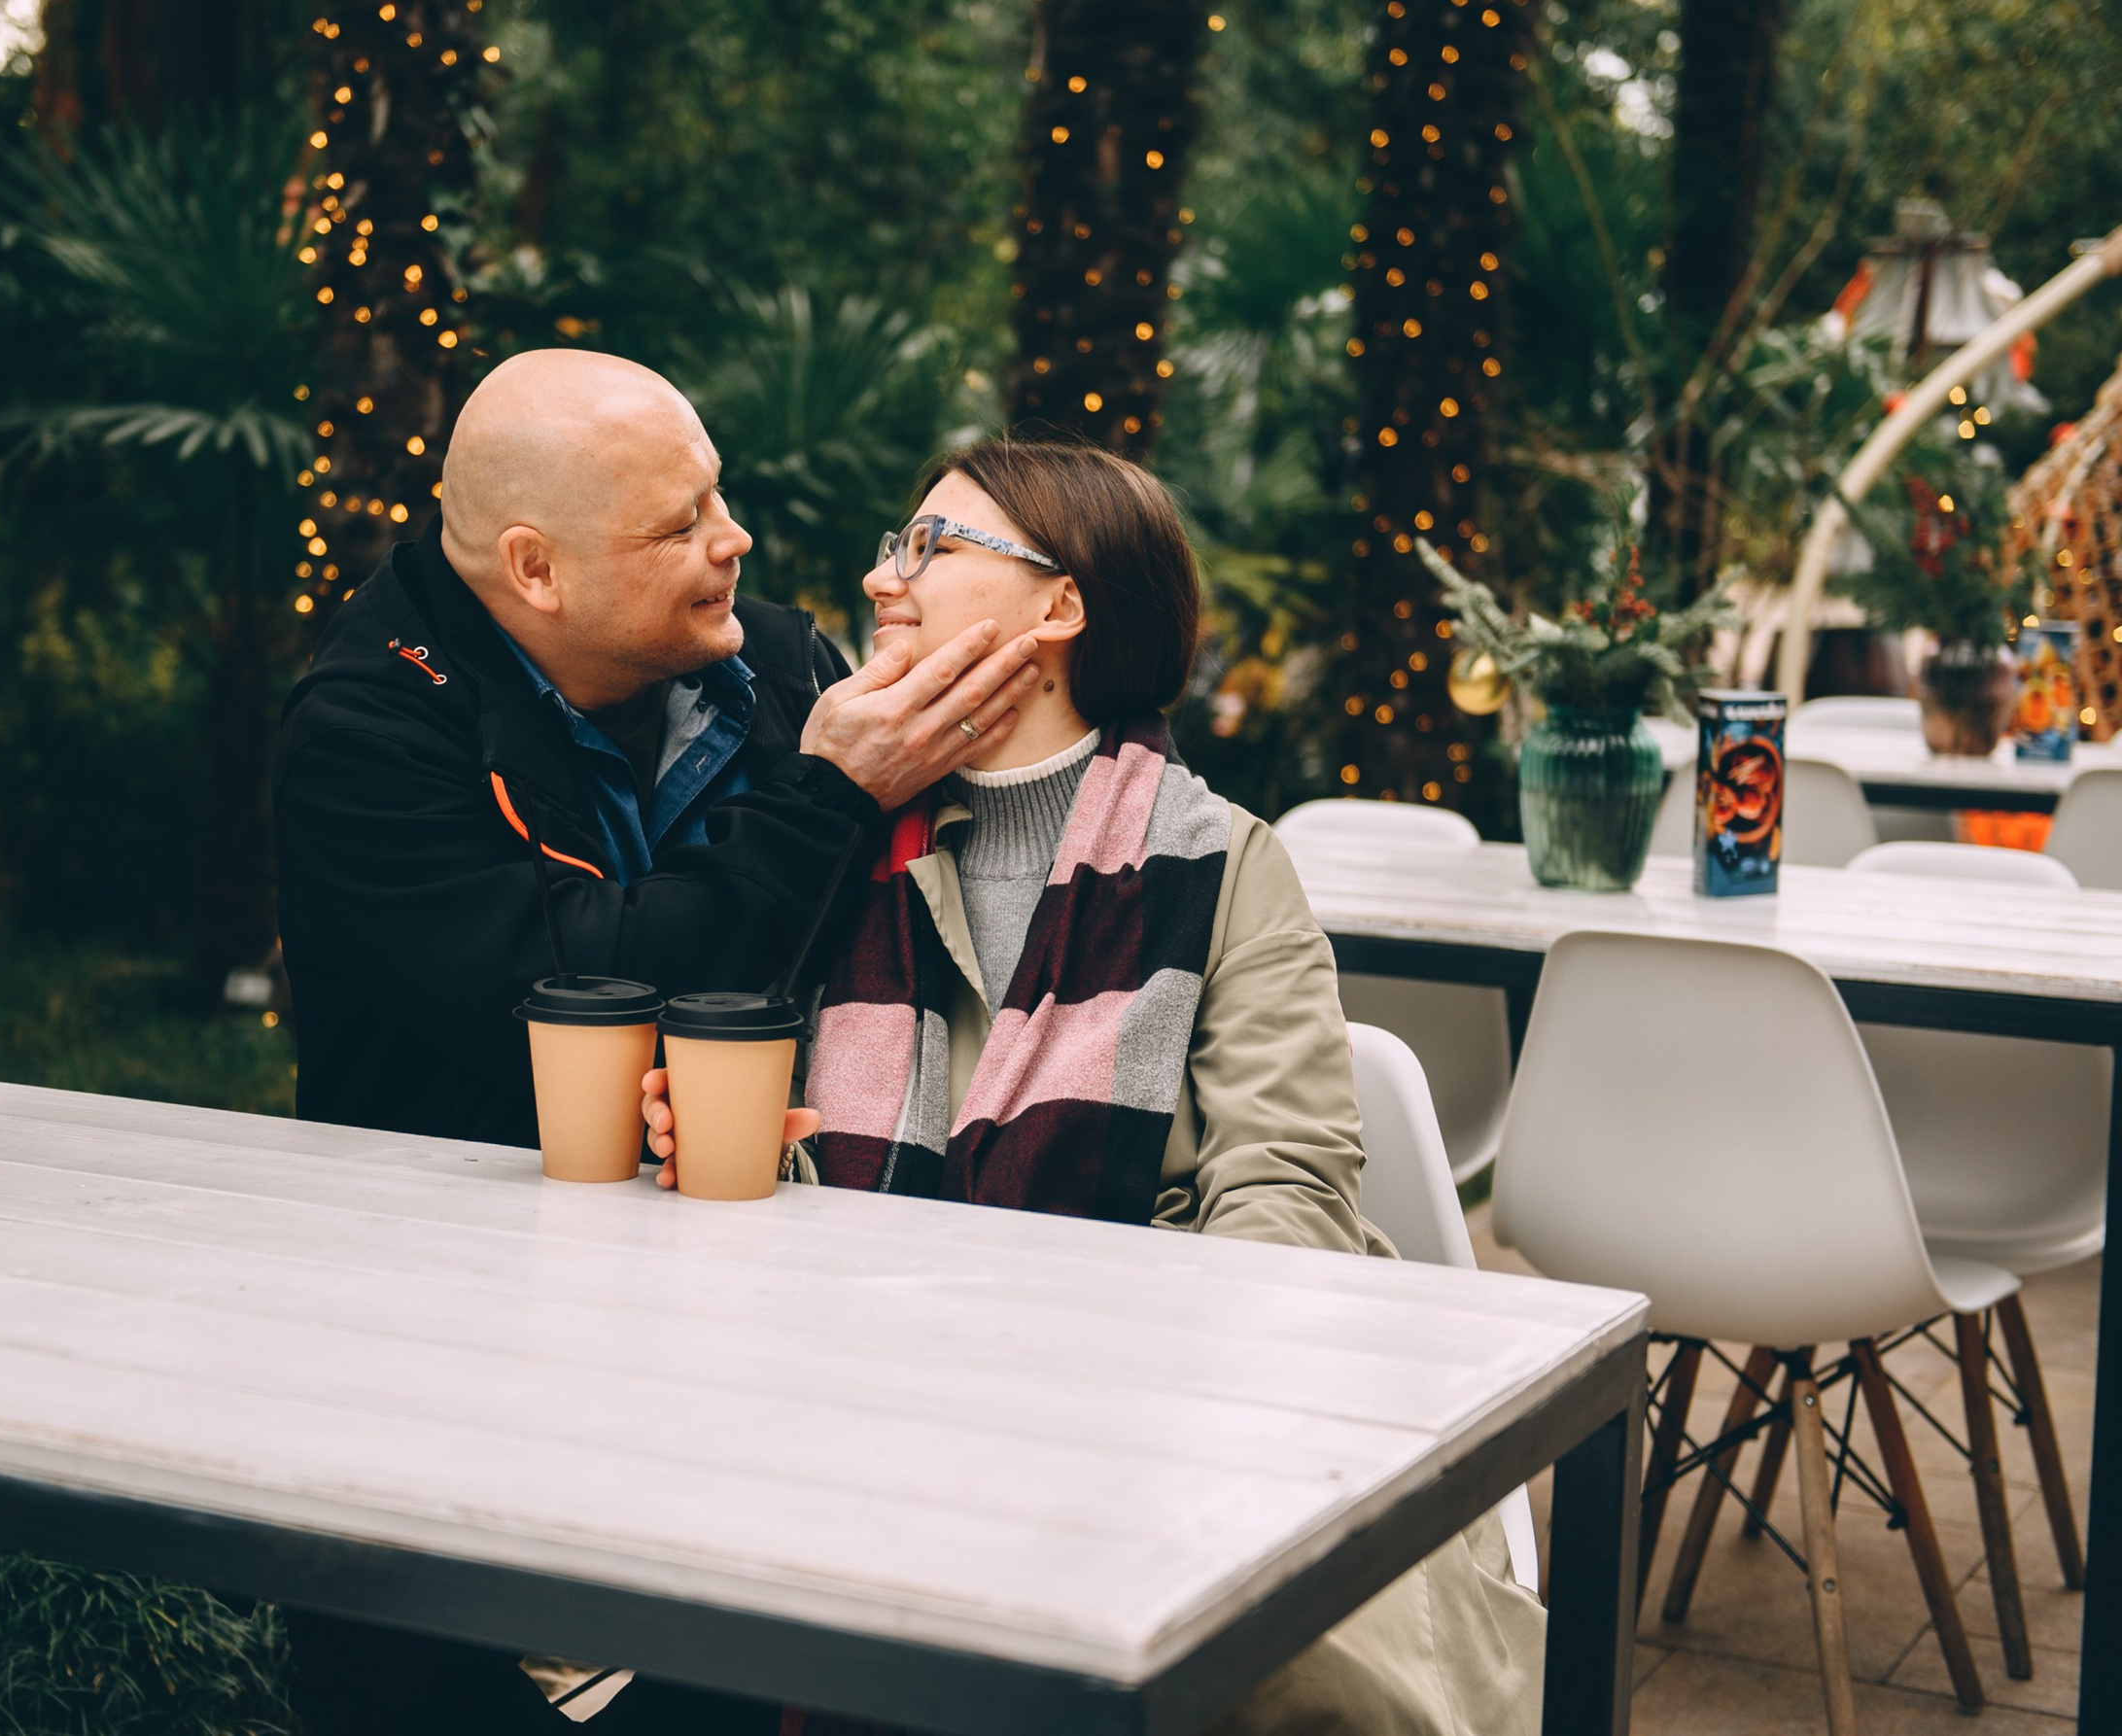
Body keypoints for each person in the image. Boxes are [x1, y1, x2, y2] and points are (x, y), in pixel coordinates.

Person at [641, 435, 1546, 1736]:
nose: (883, 578)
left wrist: (1096, 1400)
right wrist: (714, 1155)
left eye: (931, 547)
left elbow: (1285, 1197)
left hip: (1171, 1436)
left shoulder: (1225, 863)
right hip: (859, 1423)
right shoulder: (829, 851)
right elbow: (768, 1167)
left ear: (1060, 607)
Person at [272, 350, 1040, 1734]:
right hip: (446, 1359)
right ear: (538, 570)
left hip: (756, 1343)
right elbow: (579, 992)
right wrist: (826, 795)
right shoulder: (366, 735)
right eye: (682, 523)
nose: (734, 539)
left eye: (720, 497)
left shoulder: (789, 666)